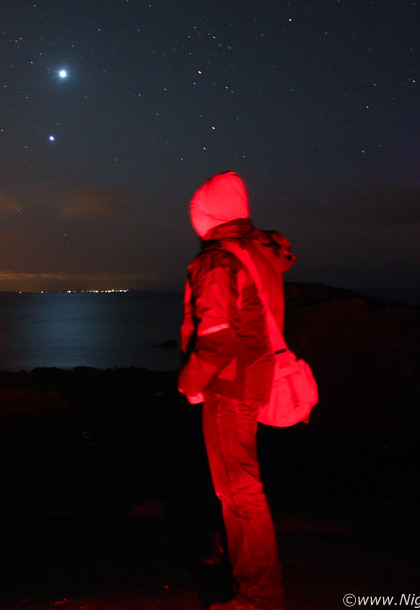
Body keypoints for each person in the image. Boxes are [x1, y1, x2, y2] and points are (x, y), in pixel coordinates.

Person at [178, 172, 295, 610]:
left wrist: (189, 381)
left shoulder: (216, 260)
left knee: (240, 492)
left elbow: (217, 337)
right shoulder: (258, 251)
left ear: (207, 214)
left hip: (229, 384)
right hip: (256, 377)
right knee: (242, 487)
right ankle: (239, 569)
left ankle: (259, 596)